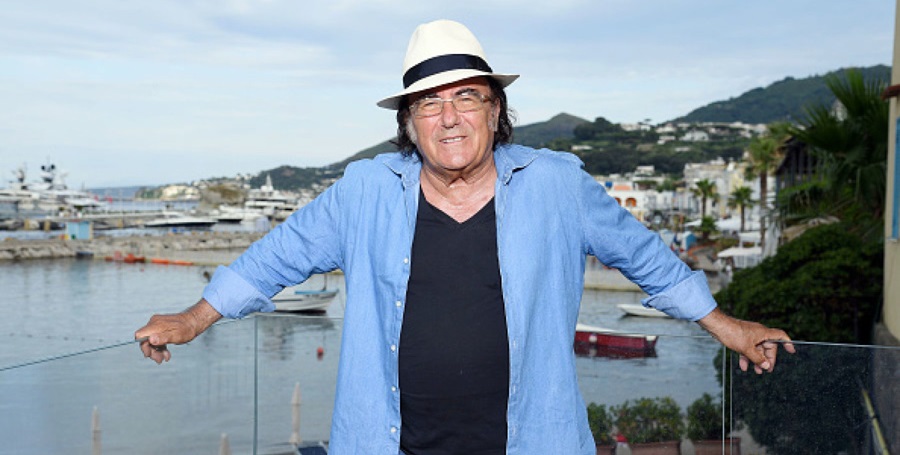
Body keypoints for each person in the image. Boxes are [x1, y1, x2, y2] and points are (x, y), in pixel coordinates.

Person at [135, 19, 794, 455]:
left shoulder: (556, 185)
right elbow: (274, 259)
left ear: (495, 109)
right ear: (409, 123)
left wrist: (727, 326)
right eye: (429, 102)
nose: (448, 117)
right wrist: (194, 318)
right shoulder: (364, 191)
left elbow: (647, 258)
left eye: (467, 97)